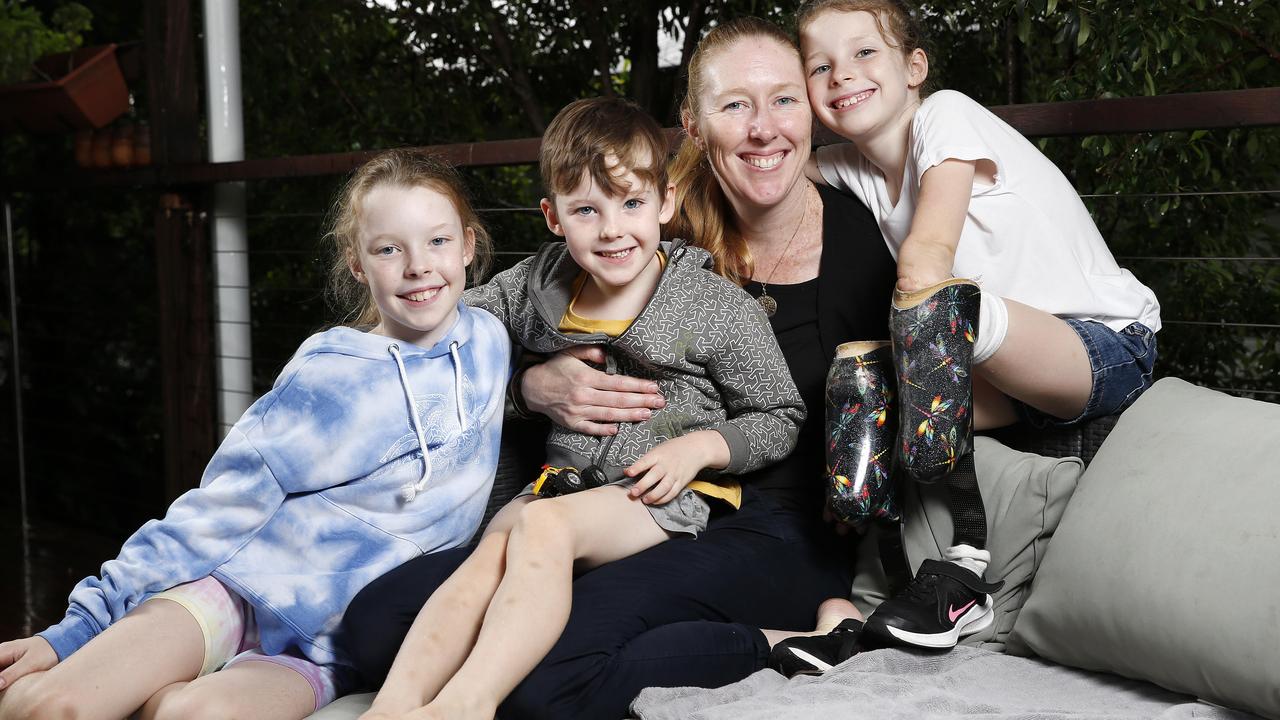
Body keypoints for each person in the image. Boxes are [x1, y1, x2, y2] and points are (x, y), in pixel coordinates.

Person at [343, 18, 898, 718]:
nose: (763, 128)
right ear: (694, 127)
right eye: (736, 106)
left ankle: (780, 639)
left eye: (784, 99)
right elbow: (459, 323)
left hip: (755, 521)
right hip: (589, 497)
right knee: (373, 627)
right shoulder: (646, 220)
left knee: (546, 679)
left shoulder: (856, 244)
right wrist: (527, 389)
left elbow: (843, 409)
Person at [0, 149, 512, 720]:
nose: (419, 266)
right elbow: (218, 508)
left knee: (189, 715)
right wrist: (79, 628)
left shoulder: (492, 340)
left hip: (326, 650)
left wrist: (535, 384)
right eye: (389, 248)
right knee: (48, 707)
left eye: (437, 242)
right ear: (356, 263)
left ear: (468, 246)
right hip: (237, 592)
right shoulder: (329, 374)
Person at [791, 0, 1161, 651]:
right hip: (1003, 376)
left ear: (915, 67)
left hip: (1103, 347)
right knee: (857, 381)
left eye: (864, 53)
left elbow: (927, 256)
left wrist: (921, 303)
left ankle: (966, 566)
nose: (841, 74)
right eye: (820, 65)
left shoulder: (946, 114)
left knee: (930, 296)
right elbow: (764, 166)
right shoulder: (856, 167)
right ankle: (880, 604)